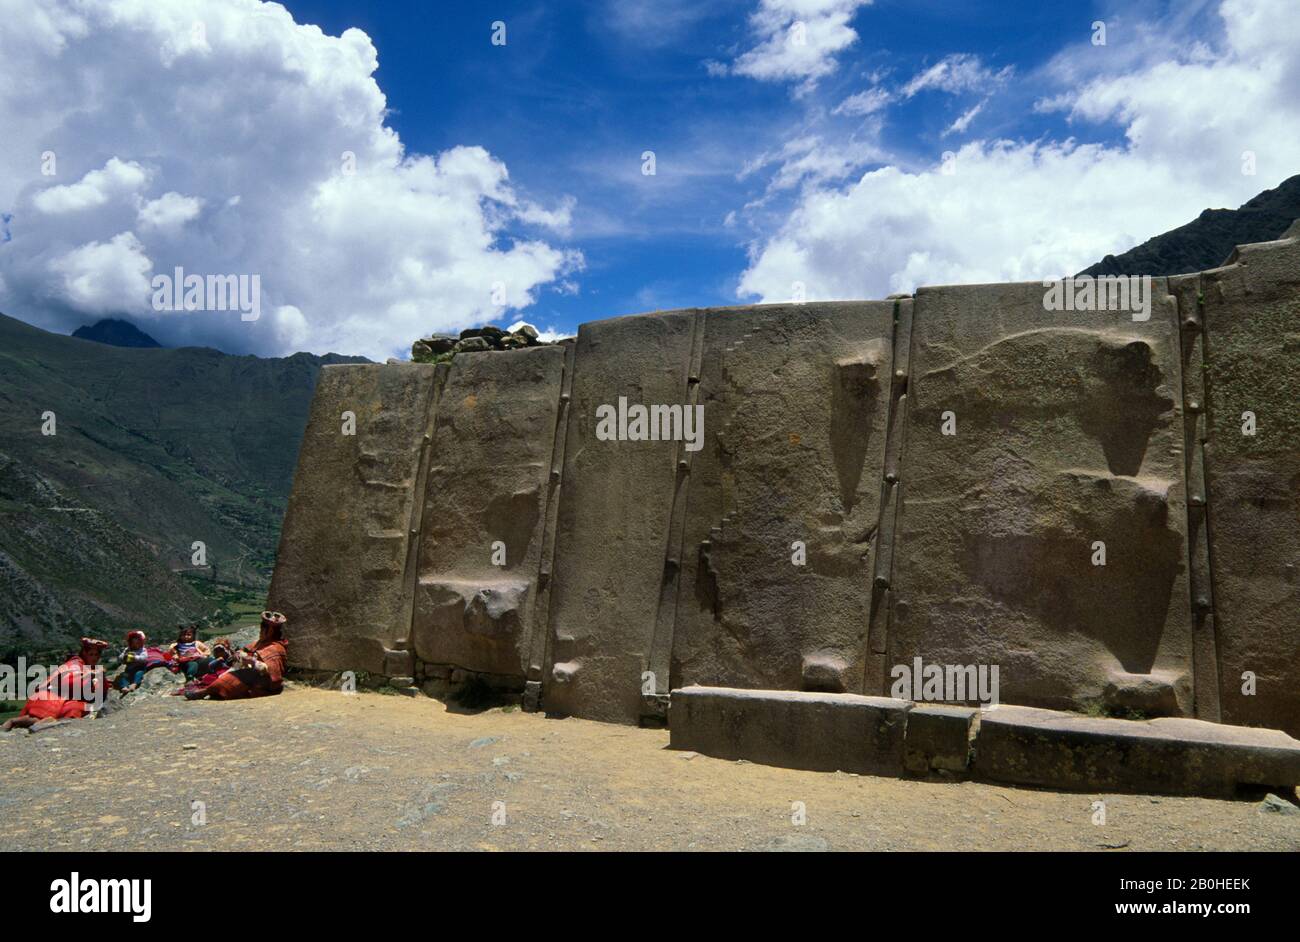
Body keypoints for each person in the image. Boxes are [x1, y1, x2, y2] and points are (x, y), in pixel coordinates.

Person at [3, 638, 112, 730]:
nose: (94, 658)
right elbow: (72, 681)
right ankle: (12, 722)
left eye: (96, 655)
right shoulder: (75, 664)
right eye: (91, 654)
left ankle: (15, 722)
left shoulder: (85, 666)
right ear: (84, 653)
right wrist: (92, 676)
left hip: (54, 696)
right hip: (51, 697)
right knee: (42, 717)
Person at [187, 612, 287, 701]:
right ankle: (212, 691)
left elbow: (270, 671)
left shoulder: (275, 648)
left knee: (225, 682)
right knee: (226, 677)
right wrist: (239, 654)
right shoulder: (260, 643)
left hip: (263, 682)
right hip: (251, 674)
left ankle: (206, 692)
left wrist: (251, 661)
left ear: (270, 631)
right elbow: (245, 650)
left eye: (263, 630)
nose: (261, 632)